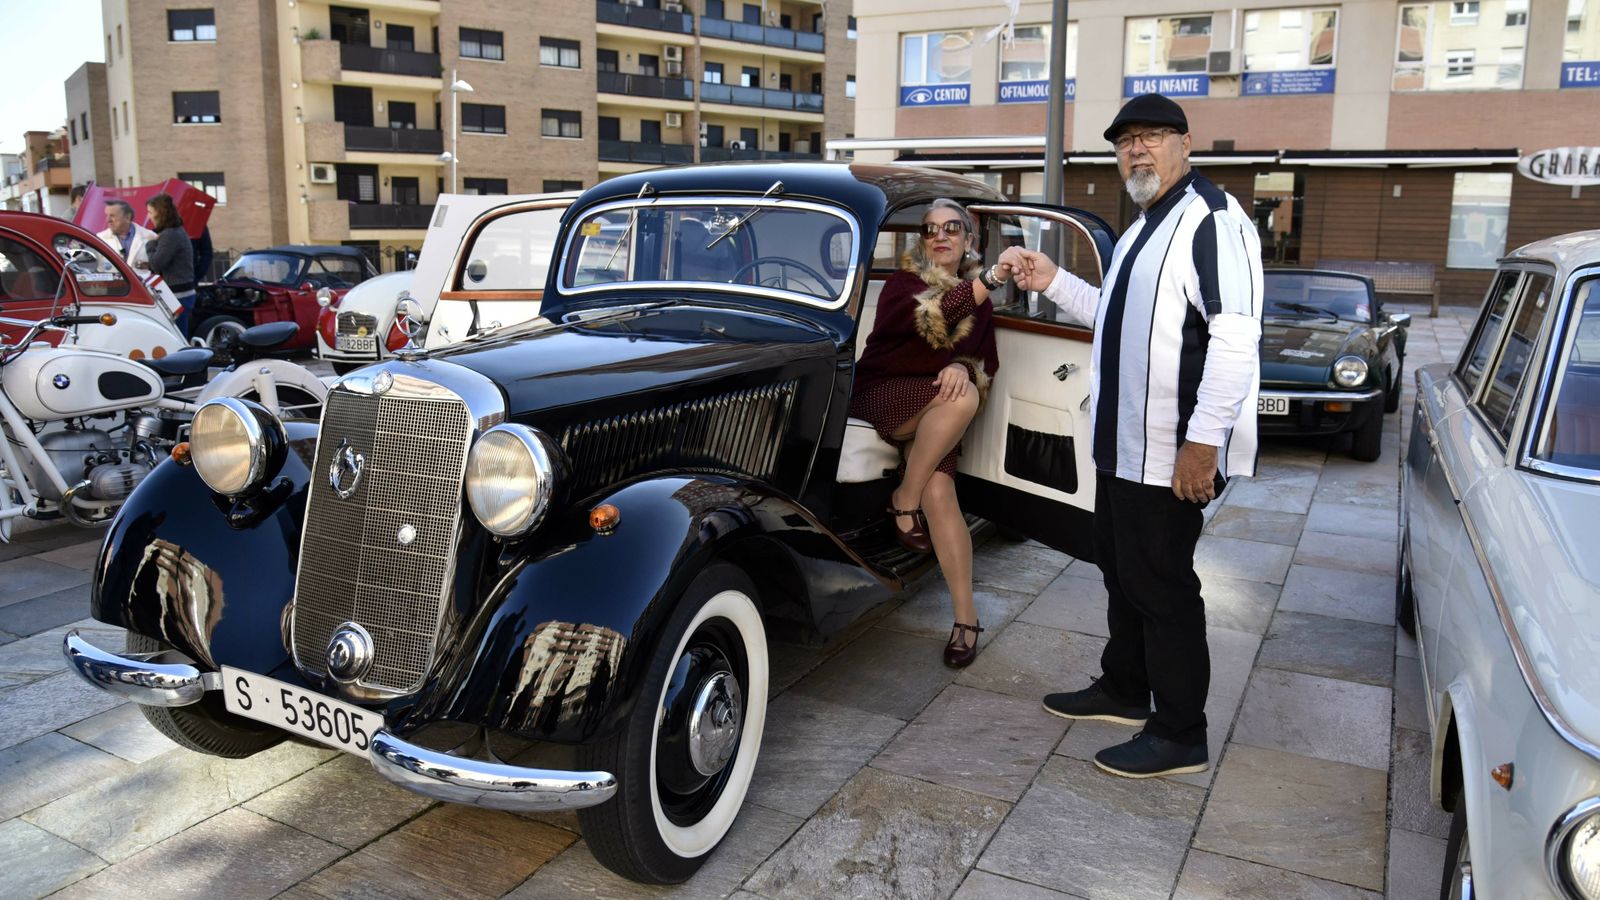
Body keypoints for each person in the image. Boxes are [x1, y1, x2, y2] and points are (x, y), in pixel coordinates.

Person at [1003, 93, 1262, 778]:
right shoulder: (1149, 224)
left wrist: (1202, 444)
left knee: (1163, 585)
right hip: (1123, 446)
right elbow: (1115, 320)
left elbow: (1236, 337)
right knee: (1122, 572)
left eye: (1150, 136)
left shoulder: (1211, 220)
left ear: (1184, 143)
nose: (1136, 150)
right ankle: (1124, 686)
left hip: (1171, 452)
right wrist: (1053, 279)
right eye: (1124, 141)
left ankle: (1180, 732)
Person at [850, 199, 1009, 668]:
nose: (940, 236)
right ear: (921, 241)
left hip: (935, 408)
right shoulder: (905, 284)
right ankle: (904, 498)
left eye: (952, 228)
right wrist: (990, 280)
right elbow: (933, 318)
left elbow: (987, 361)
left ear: (968, 240)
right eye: (930, 230)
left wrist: (963, 366)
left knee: (942, 491)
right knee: (960, 398)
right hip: (882, 393)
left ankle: (966, 619)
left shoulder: (977, 300)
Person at [144, 193, 197, 337]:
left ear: (159, 213)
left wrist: (150, 243)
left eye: (150, 212)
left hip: (177, 295)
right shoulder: (175, 232)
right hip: (180, 293)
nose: (149, 217)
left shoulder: (170, 235)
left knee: (177, 337)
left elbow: (156, 264)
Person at [98, 199, 157, 271]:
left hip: (144, 282)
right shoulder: (99, 239)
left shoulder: (151, 237)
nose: (108, 220)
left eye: (112, 216)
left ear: (128, 217)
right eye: (107, 215)